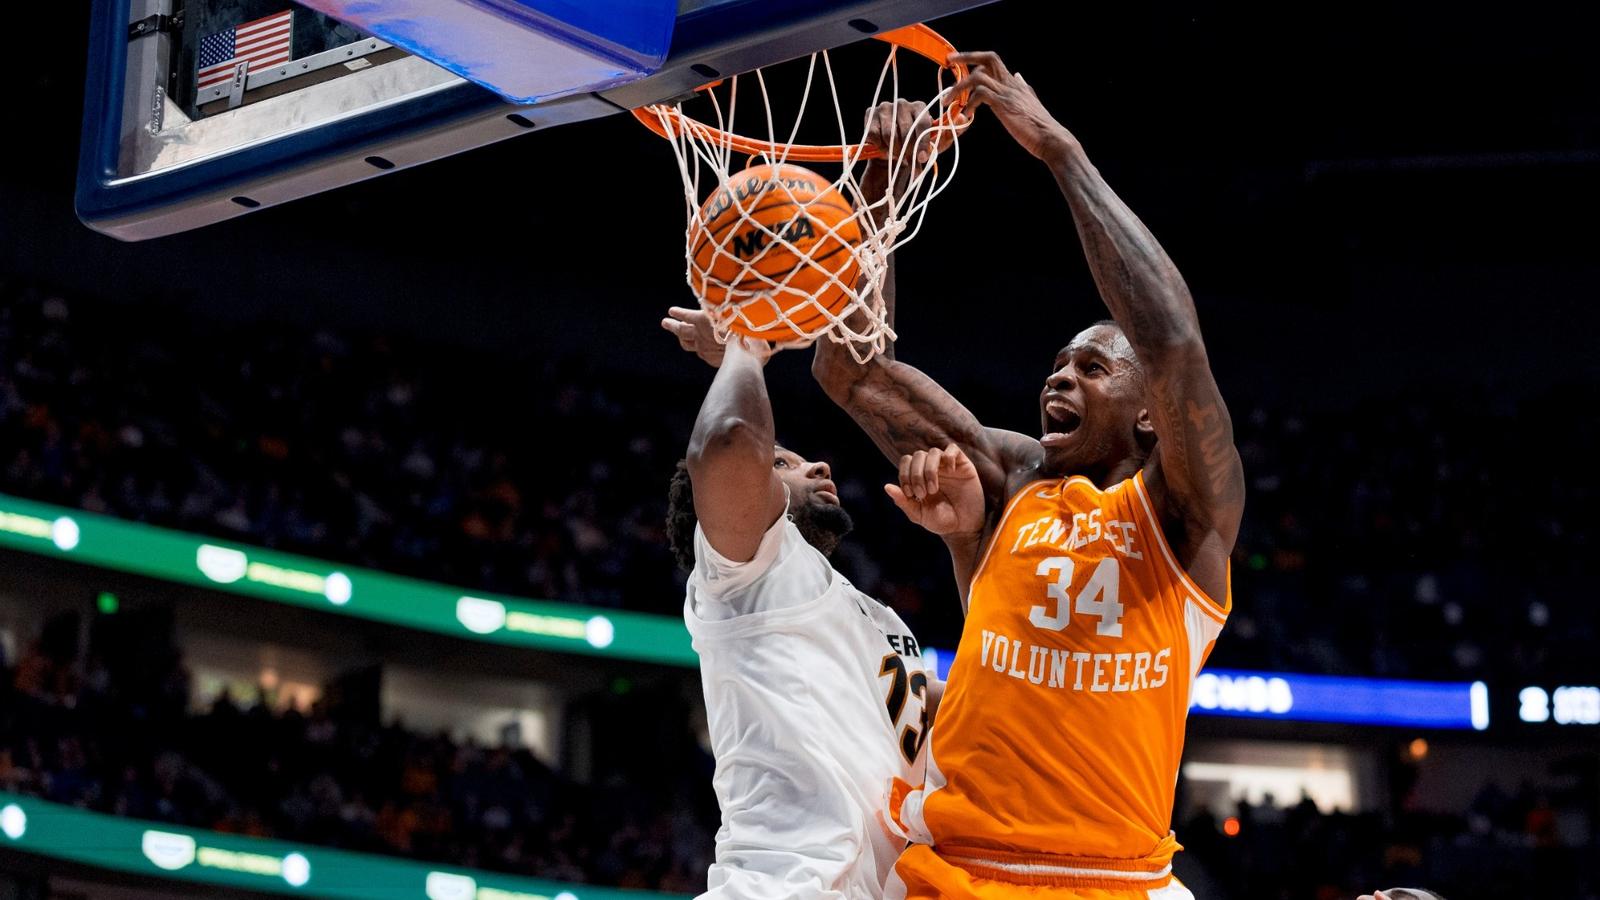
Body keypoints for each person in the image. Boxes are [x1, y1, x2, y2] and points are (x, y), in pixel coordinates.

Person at [812, 54, 1246, 899]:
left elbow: (1173, 343)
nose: (1060, 379)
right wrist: (877, 189)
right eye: (1056, 365)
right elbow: (851, 373)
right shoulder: (1013, 477)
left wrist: (1060, 152)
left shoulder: (1188, 515)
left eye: (1092, 368)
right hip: (959, 869)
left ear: (1153, 411)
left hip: (1117, 879)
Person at [660, 310, 937, 895]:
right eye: (782, 462)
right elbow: (729, 441)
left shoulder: (871, 616)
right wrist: (745, 347)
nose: (818, 464)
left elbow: (966, 707)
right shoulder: (746, 573)